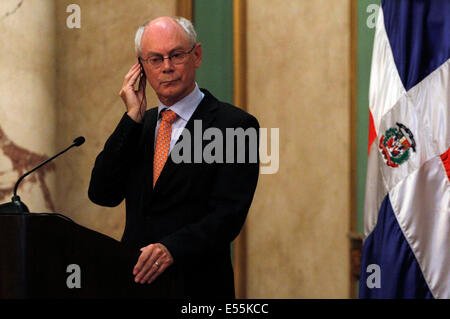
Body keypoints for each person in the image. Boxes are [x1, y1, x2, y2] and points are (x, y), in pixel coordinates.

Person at [88, 16, 259, 298]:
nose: (167, 67)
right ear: (141, 66)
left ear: (197, 56)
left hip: (198, 286)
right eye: (155, 59)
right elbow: (102, 194)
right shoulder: (138, 126)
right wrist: (131, 118)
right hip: (135, 285)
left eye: (176, 55)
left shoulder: (235, 125)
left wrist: (172, 248)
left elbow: (228, 215)